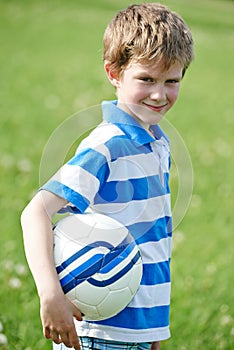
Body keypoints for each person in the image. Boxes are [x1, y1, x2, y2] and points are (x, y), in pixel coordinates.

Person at [21, 3, 194, 350]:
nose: (159, 94)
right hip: (98, 332)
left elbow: (152, 242)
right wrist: (51, 294)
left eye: (171, 81)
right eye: (146, 79)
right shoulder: (108, 143)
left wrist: (153, 332)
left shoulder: (156, 144)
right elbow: (34, 213)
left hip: (139, 330)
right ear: (114, 73)